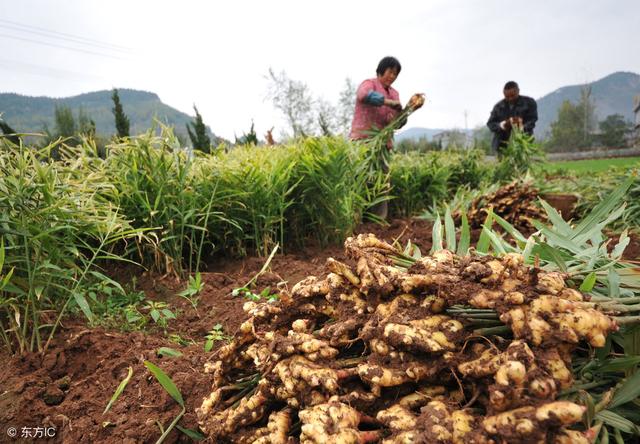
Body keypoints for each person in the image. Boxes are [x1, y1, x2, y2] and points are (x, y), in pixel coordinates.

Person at [350, 56, 404, 220]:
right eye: (390, 72)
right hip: (364, 139)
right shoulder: (369, 84)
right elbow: (363, 95)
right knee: (360, 178)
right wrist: (387, 102)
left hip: (383, 144)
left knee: (382, 181)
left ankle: (378, 220)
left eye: (395, 74)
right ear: (381, 70)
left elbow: (397, 122)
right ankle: (356, 217)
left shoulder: (395, 93)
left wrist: (403, 114)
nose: (392, 76)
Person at [487, 81, 538, 154]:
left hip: (523, 144)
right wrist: (502, 125)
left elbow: (533, 120)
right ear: (503, 93)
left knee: (522, 163)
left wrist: (521, 126)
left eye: (513, 95)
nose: (510, 99)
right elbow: (490, 124)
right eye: (507, 97)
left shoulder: (529, 103)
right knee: (503, 164)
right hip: (502, 145)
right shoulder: (498, 107)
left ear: (518, 91)